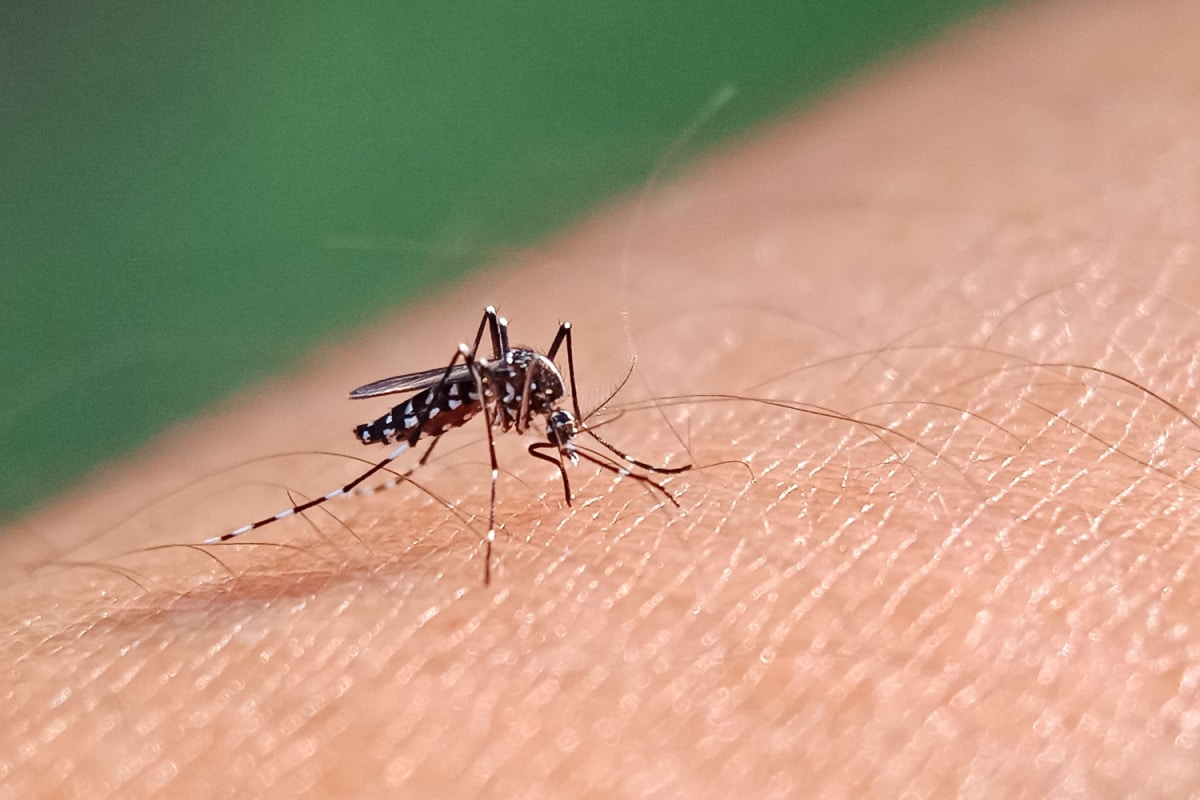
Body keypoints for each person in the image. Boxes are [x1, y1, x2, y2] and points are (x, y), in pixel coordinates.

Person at [5, 1, 1200, 794]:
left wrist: (582, 443)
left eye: (560, 435)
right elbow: (502, 385)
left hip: (481, 385)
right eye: (561, 434)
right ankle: (367, 493)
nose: (555, 441)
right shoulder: (508, 393)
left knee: (514, 366)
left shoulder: (539, 387)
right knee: (438, 425)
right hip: (449, 397)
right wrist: (486, 475)